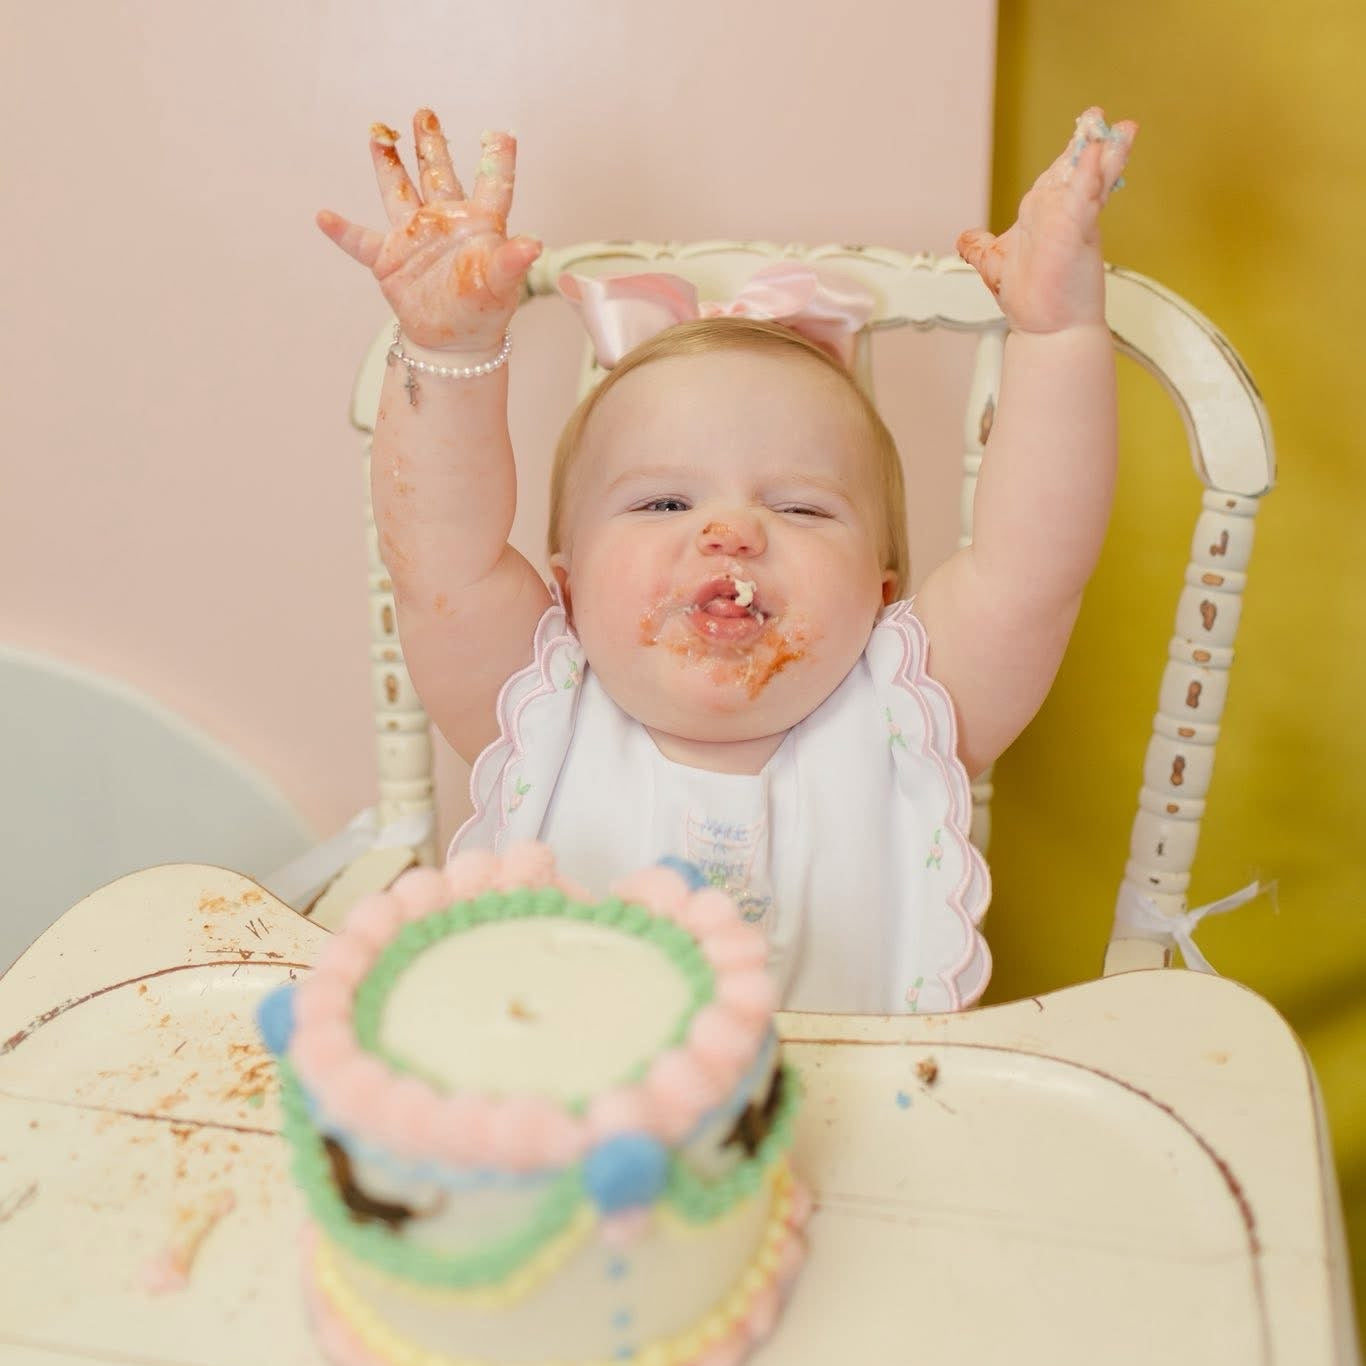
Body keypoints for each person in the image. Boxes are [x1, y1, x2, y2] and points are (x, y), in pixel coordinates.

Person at [317, 107, 1137, 1014]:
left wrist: (1057, 334)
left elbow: (1034, 570)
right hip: (564, 1136)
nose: (731, 532)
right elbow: (441, 554)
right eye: (664, 502)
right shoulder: (543, 711)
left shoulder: (905, 714)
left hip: (853, 1133)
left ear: (882, 593)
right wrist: (447, 346)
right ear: (566, 586)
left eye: (799, 507)